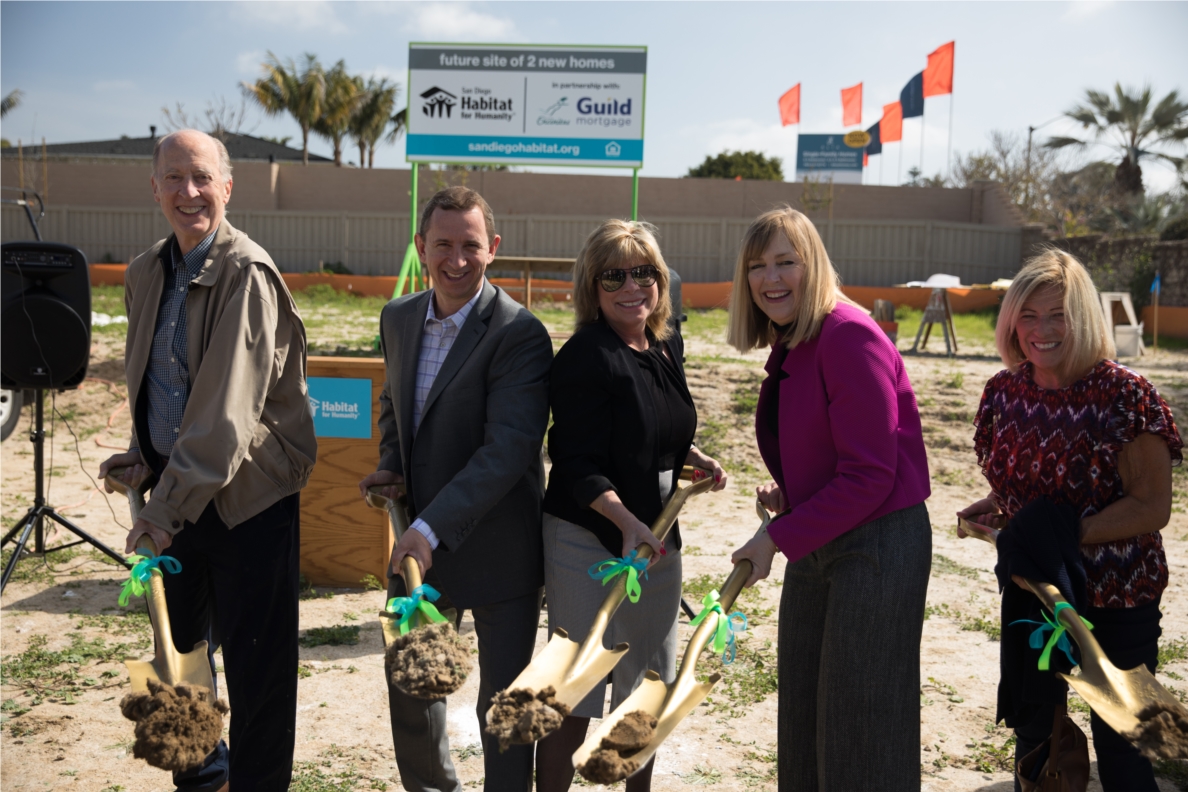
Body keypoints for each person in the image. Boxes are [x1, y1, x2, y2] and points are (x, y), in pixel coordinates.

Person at [98, 129, 317, 791]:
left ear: (227, 187)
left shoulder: (245, 272)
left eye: (201, 178)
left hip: (248, 501)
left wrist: (160, 516)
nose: (188, 192)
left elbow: (224, 417)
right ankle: (203, 780)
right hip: (176, 496)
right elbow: (159, 381)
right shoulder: (146, 272)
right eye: (174, 178)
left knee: (257, 676)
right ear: (155, 188)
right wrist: (144, 453)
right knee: (179, 660)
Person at [957, 249, 1181, 792]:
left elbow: (1153, 507)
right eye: (1028, 316)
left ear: (1082, 317)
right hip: (1035, 596)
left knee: (1128, 751)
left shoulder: (1125, 396)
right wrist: (1001, 507)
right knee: (1040, 743)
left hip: (1116, 598)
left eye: (1058, 314)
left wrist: (1055, 535)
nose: (1042, 330)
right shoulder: (1005, 392)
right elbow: (1031, 488)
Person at [726, 206, 932, 792]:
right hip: (821, 536)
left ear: (812, 264)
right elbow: (838, 453)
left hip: (877, 546)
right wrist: (795, 494)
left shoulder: (848, 335)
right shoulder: (797, 338)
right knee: (805, 713)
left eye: (786, 262)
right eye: (757, 266)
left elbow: (870, 475)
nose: (771, 278)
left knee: (862, 726)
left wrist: (774, 536)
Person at [357, 186, 553, 792]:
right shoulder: (397, 317)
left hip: (498, 553)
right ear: (421, 247)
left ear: (493, 249)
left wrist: (426, 526)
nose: (457, 259)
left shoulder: (520, 333)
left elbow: (507, 452)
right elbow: (394, 404)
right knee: (413, 700)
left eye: (471, 245)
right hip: (418, 552)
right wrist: (393, 463)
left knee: (506, 715)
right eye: (443, 244)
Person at [535, 220, 727, 792]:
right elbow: (575, 462)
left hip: (656, 538)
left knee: (647, 683)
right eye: (613, 275)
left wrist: (696, 457)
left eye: (644, 272)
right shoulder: (583, 358)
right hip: (588, 542)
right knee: (575, 689)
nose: (631, 286)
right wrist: (625, 523)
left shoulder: (665, 345)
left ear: (661, 281)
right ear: (592, 287)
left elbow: (659, 426)